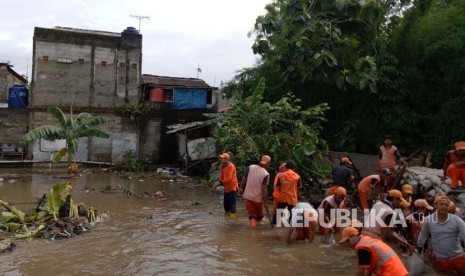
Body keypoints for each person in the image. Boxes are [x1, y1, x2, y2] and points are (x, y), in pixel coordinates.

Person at [417, 195, 465, 274]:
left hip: (458, 257)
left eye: (446, 205)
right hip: (441, 260)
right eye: (441, 204)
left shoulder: (456, 220)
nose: (444, 207)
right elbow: (423, 235)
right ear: (435, 205)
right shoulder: (429, 220)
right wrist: (419, 247)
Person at [339, 227, 408, 276]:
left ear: (353, 236)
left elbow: (360, 273)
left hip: (391, 273)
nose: (348, 244)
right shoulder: (367, 240)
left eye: (348, 241)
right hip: (401, 272)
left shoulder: (362, 247)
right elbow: (368, 270)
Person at [240, 155, 271, 228]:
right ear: (268, 163)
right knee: (259, 217)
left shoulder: (250, 167)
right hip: (258, 199)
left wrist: (241, 188)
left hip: (248, 196)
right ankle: (256, 233)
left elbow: (244, 179)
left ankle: (253, 232)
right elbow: (264, 189)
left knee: (252, 215)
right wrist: (266, 202)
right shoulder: (266, 174)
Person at [211, 153, 239, 219]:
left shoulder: (231, 166)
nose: (221, 160)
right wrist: (216, 183)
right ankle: (227, 220)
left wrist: (219, 183)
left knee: (232, 207)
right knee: (226, 207)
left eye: (222, 158)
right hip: (226, 188)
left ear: (226, 159)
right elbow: (221, 177)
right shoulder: (222, 166)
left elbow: (228, 179)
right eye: (220, 158)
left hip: (233, 188)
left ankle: (233, 220)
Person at [274, 160, 301, 225]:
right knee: (291, 215)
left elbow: (277, 187)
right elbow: (298, 188)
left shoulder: (280, 175)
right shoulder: (297, 176)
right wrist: (297, 198)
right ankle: (289, 227)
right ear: (294, 168)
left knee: (278, 214)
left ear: (286, 167)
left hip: (282, 197)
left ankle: (273, 227)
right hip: (292, 198)